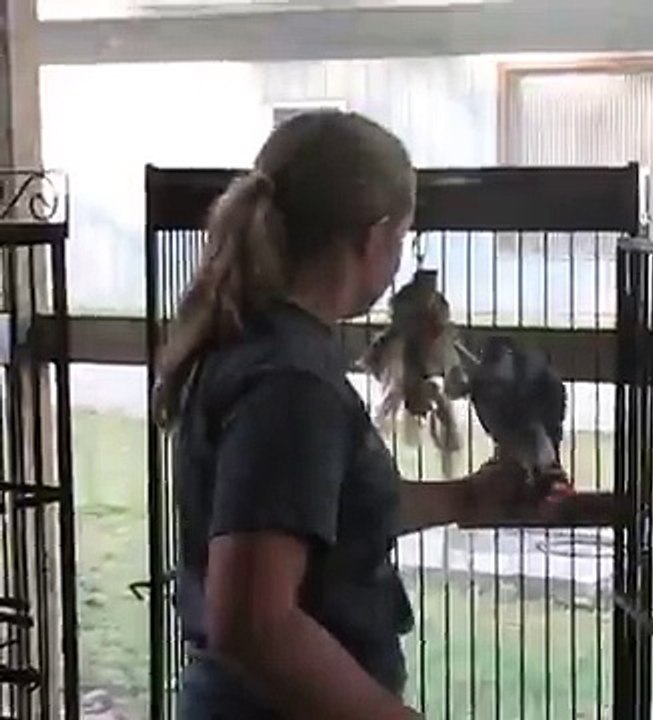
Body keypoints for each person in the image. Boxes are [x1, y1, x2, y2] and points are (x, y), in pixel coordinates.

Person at [152, 109, 569, 720]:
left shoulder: (260, 341)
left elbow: (315, 516)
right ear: (373, 238)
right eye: (401, 238)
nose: (399, 259)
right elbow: (252, 622)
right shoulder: (291, 383)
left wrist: (466, 497)